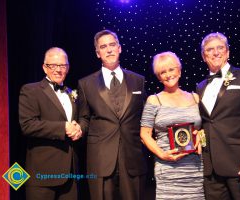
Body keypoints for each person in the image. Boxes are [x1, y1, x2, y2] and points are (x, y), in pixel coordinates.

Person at [196, 32, 240, 200]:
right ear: (203, 56)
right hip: (211, 170)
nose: (216, 52)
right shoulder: (200, 86)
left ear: (227, 52)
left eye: (220, 48)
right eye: (210, 49)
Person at [78, 29, 147, 200]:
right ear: (97, 53)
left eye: (112, 45)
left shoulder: (138, 80)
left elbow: (145, 117)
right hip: (101, 159)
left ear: (119, 48)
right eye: (103, 46)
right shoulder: (85, 84)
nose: (109, 50)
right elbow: (84, 118)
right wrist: (77, 128)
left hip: (132, 156)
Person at [19, 47, 82, 200]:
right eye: (53, 65)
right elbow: (27, 125)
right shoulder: (30, 90)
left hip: (70, 175)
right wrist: (63, 128)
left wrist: (79, 129)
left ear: (67, 68)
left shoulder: (70, 92)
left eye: (62, 66)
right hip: (42, 175)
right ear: (44, 67)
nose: (58, 70)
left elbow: (79, 120)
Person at [140, 51, 205, 199]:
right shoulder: (154, 100)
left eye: (171, 69)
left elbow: (204, 129)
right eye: (163, 72)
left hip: (194, 166)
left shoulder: (195, 98)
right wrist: (162, 154)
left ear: (179, 71)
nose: (168, 74)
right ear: (158, 77)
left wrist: (201, 136)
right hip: (167, 166)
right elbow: (144, 134)